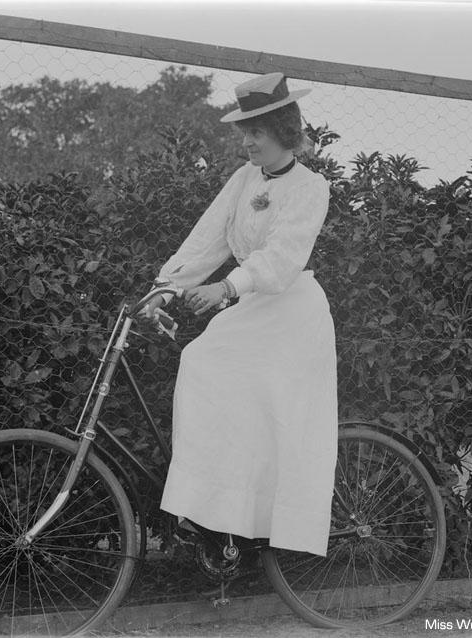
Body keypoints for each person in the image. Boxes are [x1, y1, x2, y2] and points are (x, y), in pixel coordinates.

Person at [141, 72, 337, 557]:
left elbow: (281, 257)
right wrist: (164, 291)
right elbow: (207, 240)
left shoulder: (312, 188)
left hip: (291, 311)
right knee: (206, 367)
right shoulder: (244, 179)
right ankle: (216, 515)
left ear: (283, 131)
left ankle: (251, 520)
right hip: (254, 307)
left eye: (256, 132)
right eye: (244, 133)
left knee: (265, 409)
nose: (247, 142)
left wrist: (228, 288)